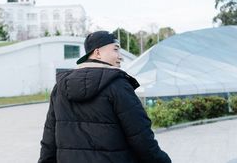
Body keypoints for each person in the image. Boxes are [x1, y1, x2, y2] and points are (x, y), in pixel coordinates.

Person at [38, 31, 171, 163]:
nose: (120, 57)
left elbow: (49, 142)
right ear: (97, 53)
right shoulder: (118, 86)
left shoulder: (60, 88)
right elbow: (141, 138)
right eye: (115, 50)